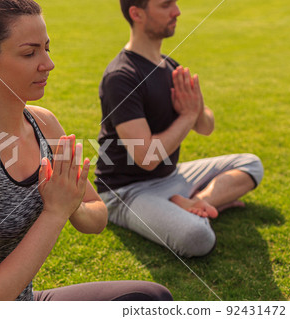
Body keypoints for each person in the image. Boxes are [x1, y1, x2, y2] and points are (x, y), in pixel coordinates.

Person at [0, 0, 173, 301]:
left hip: (25, 301)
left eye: (47, 48)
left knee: (150, 297)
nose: (48, 63)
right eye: (30, 53)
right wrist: (55, 212)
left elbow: (97, 216)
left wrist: (72, 204)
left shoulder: (44, 124)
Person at [95, 0, 264, 258]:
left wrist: (196, 109)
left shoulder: (171, 66)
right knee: (197, 237)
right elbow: (147, 158)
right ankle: (194, 206)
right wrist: (187, 116)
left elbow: (206, 127)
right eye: (165, 5)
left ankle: (198, 202)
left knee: (251, 164)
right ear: (136, 13)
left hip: (172, 177)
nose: (177, 12)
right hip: (127, 190)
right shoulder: (121, 77)